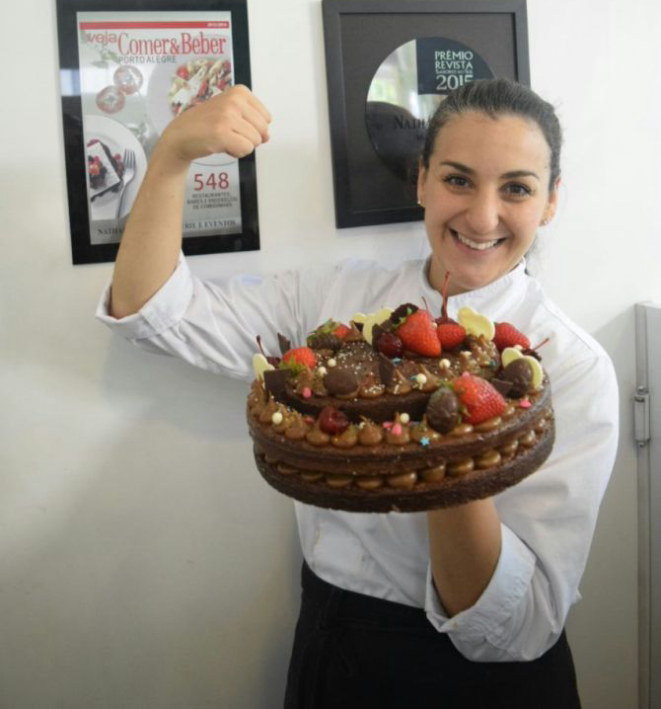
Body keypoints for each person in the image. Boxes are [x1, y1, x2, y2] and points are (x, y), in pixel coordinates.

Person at [97, 79, 619, 709]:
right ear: (421, 180)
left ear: (551, 201)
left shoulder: (571, 367)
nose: (483, 216)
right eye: (457, 179)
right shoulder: (338, 309)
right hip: (335, 645)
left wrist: (445, 438)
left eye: (516, 188)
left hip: (484, 683)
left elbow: (516, 627)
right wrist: (173, 153)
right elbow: (152, 311)